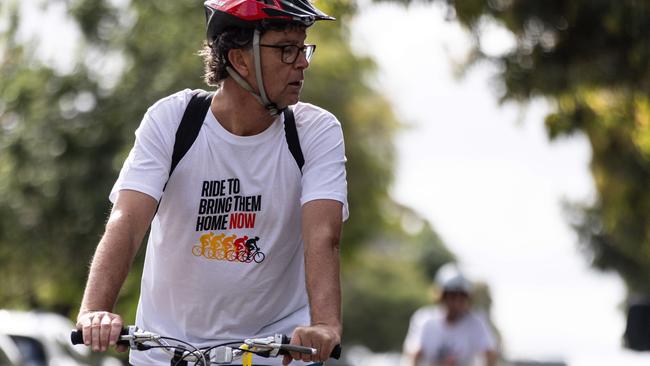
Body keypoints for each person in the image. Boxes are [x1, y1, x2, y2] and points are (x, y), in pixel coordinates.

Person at [75, 1, 348, 365]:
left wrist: (326, 324)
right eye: (286, 49)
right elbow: (126, 221)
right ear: (240, 59)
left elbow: (323, 235)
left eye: (303, 48)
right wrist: (96, 310)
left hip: (268, 354)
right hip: (165, 352)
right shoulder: (173, 121)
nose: (302, 62)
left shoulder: (315, 132)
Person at [403, 264, 497, 366]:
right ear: (441, 297)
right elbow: (413, 354)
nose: (456, 302)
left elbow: (490, 352)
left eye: (461, 297)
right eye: (452, 296)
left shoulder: (476, 322)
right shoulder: (424, 320)